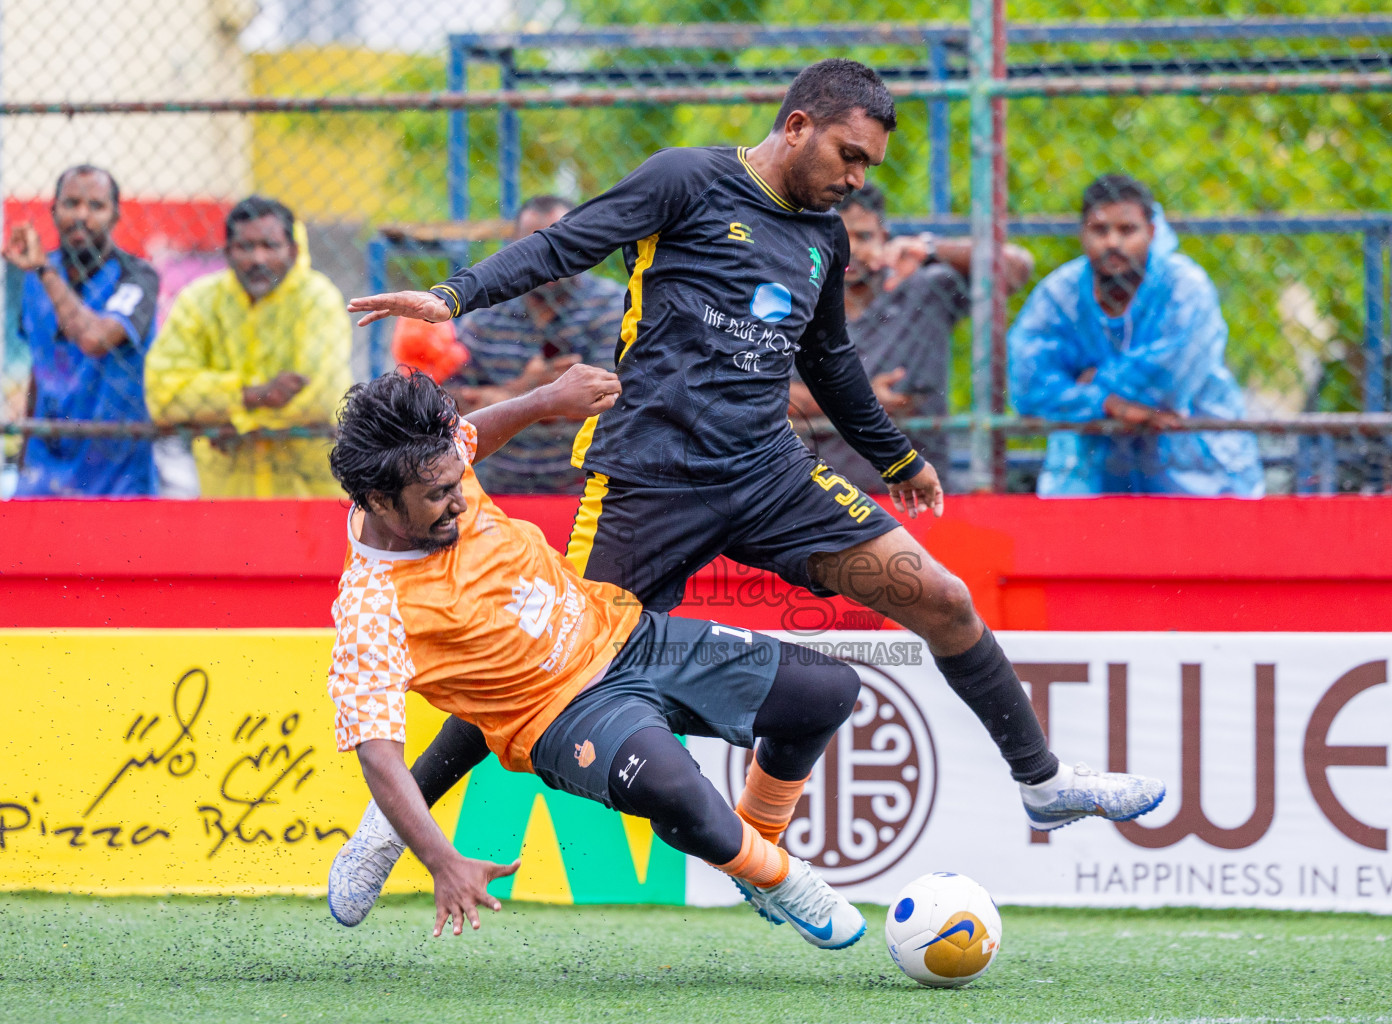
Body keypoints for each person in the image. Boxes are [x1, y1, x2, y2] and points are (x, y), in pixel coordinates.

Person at [339, 59, 1164, 918]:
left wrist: (894, 459)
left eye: (868, 168)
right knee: (552, 658)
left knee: (941, 596)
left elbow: (829, 361)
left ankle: (1039, 780)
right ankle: (385, 831)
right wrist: (453, 294)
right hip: (648, 478)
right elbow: (563, 244)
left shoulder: (824, 237)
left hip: (768, 472)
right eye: (848, 155)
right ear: (798, 125)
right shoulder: (687, 179)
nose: (855, 178)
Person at [325, 368, 867, 950]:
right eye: (437, 496)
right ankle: (784, 881)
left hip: (624, 632)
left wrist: (545, 400)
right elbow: (380, 760)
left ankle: (755, 850)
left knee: (829, 690)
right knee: (679, 791)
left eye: (458, 482)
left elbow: (469, 436)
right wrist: (441, 859)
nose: (459, 502)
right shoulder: (372, 612)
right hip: (559, 715)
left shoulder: (429, 462)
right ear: (380, 502)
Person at [1007, 174, 1263, 497]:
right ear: (1082, 234)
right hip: (1092, 479)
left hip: (1199, 475)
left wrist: (1087, 383)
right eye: (1100, 230)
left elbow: (1167, 385)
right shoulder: (1060, 294)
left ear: (1151, 232)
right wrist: (1108, 403)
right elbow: (1027, 387)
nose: (1113, 242)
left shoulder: (1185, 288)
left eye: (1127, 230)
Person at [787, 183, 1033, 491]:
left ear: (885, 239)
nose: (851, 249)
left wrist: (929, 248)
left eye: (864, 237)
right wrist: (862, 401)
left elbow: (1015, 266)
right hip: (824, 491)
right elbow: (766, 396)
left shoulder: (923, 290)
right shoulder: (795, 298)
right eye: (838, 236)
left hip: (917, 488)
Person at [145, 195, 352, 497]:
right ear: (227, 252)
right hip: (227, 496)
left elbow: (322, 397)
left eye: (270, 246)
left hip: (309, 494)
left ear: (293, 251)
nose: (258, 259)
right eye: (246, 247)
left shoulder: (317, 299)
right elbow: (162, 394)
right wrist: (252, 395)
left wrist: (233, 419)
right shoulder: (199, 302)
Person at [443, 194, 622, 495]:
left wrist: (500, 398)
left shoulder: (612, 308)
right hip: (500, 489)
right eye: (534, 249)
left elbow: (610, 401)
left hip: (590, 489)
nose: (547, 260)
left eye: (560, 245)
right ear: (513, 251)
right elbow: (450, 409)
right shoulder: (486, 317)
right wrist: (534, 389)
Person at [3, 165, 159, 496]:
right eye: (71, 203)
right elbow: (38, 367)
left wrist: (43, 270)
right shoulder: (33, 277)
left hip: (116, 470)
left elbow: (95, 338)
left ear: (115, 215)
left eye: (96, 206)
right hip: (46, 468)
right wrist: (23, 456)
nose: (81, 215)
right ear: (53, 210)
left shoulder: (137, 277)